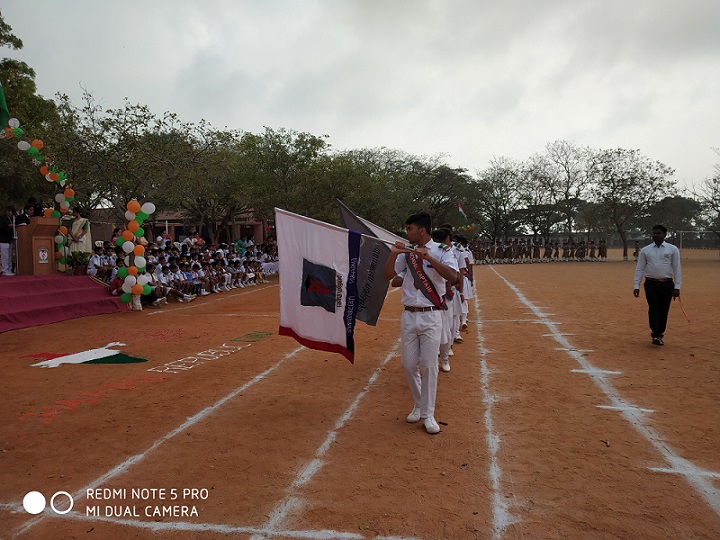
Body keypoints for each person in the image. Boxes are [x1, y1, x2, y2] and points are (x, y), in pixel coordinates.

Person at [383, 212, 459, 435]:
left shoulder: (443, 251)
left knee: (428, 365)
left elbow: (453, 276)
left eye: (410, 229)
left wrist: (429, 258)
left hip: (431, 315)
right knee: (408, 365)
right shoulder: (406, 252)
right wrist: (393, 254)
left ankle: (428, 414)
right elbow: (387, 276)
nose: (407, 232)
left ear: (422, 230)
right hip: (409, 315)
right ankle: (419, 403)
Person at [633, 224, 682, 346]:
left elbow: (677, 268)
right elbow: (640, 268)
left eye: (658, 233)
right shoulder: (646, 250)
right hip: (651, 284)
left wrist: (677, 287)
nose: (656, 235)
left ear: (665, 235)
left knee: (664, 309)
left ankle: (660, 333)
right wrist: (636, 285)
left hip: (667, 284)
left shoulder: (672, 249)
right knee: (653, 308)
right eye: (654, 233)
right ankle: (656, 334)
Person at [0, 206, 16, 276]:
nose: (12, 214)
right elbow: (1, 227)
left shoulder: (12, 219)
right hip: (3, 239)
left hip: (10, 239)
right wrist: (8, 226)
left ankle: (9, 269)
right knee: (5, 256)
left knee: (10, 256)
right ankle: (5, 270)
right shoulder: (2, 218)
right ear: (7, 211)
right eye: (11, 212)